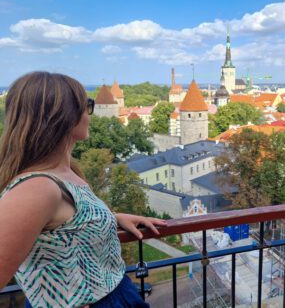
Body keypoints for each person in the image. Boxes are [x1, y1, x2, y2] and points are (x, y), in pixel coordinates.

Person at [0, 72, 167, 307]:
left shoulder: (67, 174)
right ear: (63, 117)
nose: (90, 114)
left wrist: (112, 218)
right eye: (87, 106)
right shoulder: (37, 187)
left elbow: (64, 227)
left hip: (118, 293)